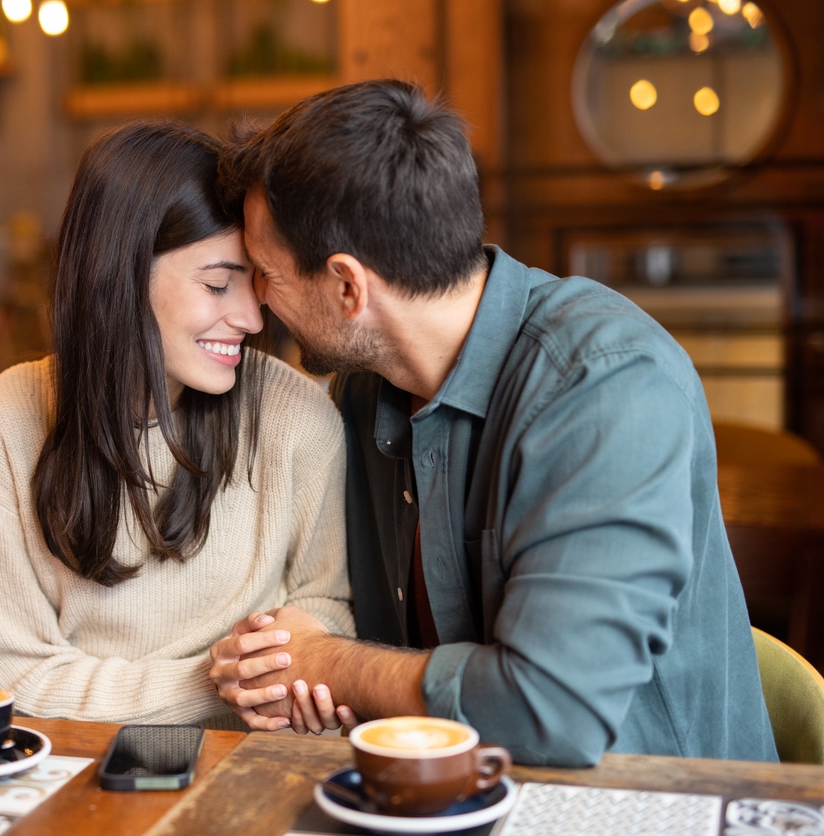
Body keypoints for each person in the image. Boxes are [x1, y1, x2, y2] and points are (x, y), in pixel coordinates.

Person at [208, 79, 778, 765]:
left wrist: (329, 662)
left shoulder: (606, 383)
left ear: (347, 286)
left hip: (648, 804)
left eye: (265, 274)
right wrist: (295, 661)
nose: (255, 304)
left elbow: (549, 713)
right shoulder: (367, 395)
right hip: (449, 796)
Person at [0, 121, 353, 729]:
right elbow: (22, 680)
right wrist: (211, 684)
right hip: (84, 771)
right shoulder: (3, 423)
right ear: (118, 276)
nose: (250, 316)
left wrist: (295, 642)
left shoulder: (297, 416)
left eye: (256, 281)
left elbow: (332, 603)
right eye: (218, 283)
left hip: (258, 764)